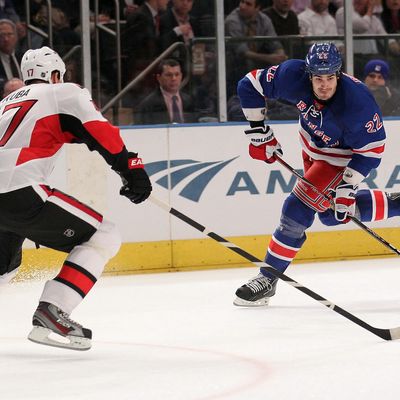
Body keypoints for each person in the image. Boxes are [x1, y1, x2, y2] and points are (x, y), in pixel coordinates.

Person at [0, 46, 152, 350]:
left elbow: (73, 131)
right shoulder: (62, 92)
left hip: (8, 191)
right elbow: (96, 129)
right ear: (55, 74)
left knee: (4, 265)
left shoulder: (4, 104)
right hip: (18, 186)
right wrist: (130, 167)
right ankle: (55, 308)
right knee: (104, 235)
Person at [233, 42, 400, 307]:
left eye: (330, 77)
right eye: (318, 78)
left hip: (341, 156)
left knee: (296, 210)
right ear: (308, 74)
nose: (324, 85)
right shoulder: (292, 75)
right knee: (330, 215)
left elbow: (372, 150)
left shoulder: (357, 104)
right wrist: (258, 132)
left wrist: (348, 185)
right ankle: (396, 203)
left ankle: (267, 278)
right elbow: (250, 84)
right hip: (311, 146)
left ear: (339, 74)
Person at [134, 58, 198, 124]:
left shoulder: (189, 101)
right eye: (169, 75)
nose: (174, 79)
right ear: (159, 78)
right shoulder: (147, 105)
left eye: (177, 74)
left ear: (181, 76)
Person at [0, 19, 22, 93]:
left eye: (9, 34)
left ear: (16, 37)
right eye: (2, 35)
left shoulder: (24, 57)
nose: (6, 39)